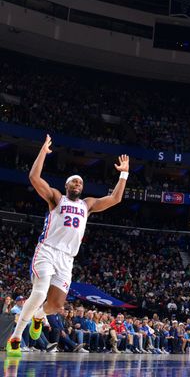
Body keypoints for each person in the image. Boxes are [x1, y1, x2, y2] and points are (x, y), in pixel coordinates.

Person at [5, 135, 129, 357]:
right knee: (40, 290)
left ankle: (39, 316)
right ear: (66, 185)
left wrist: (124, 173)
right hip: (47, 251)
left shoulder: (87, 204)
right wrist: (43, 152)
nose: (77, 183)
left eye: (80, 182)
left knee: (55, 305)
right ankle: (15, 336)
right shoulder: (56, 198)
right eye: (74, 181)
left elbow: (116, 199)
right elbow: (34, 177)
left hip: (67, 259)